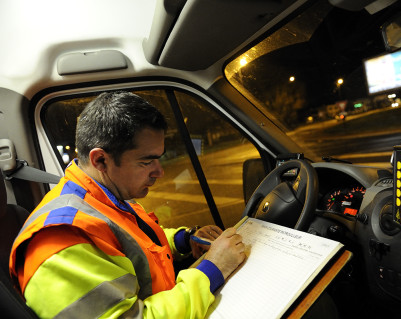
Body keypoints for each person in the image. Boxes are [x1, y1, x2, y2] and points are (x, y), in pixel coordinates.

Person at [9, 91, 246, 318]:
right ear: (101, 159)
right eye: (147, 161)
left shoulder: (100, 197)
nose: (160, 172)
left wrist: (184, 239)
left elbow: (133, 244)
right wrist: (213, 268)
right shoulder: (60, 241)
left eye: (159, 158)